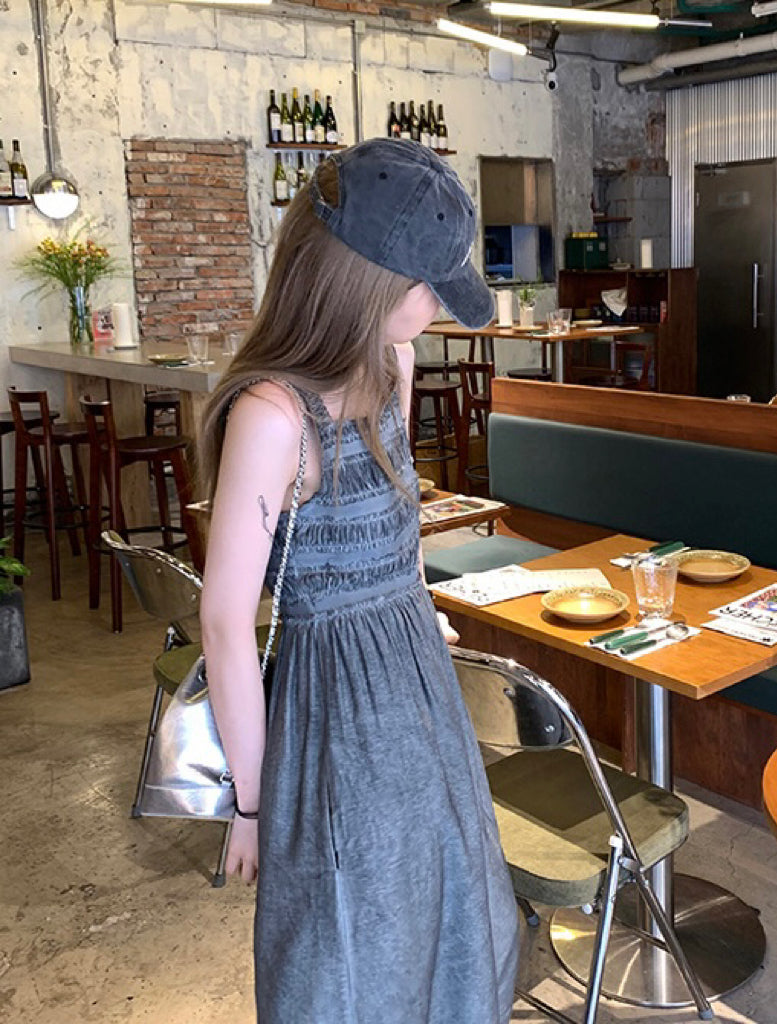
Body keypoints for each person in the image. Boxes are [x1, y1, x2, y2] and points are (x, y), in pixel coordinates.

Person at [198, 139, 519, 1023]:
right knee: (349, 944)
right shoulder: (273, 415)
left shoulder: (392, 361)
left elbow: (402, 516)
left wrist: (415, 605)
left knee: (457, 905)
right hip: (334, 710)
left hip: (418, 690)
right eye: (428, 287)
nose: (436, 306)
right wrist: (251, 805)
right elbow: (225, 622)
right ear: (367, 281)